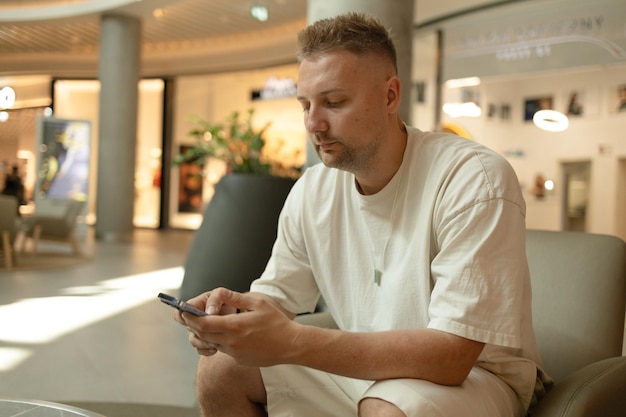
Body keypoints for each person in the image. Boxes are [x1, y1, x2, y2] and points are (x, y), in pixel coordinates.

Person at [174, 13, 552, 417]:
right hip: (366, 368)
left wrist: (293, 342)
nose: (314, 124)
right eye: (306, 105)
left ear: (390, 97)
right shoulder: (312, 190)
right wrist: (229, 317)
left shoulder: (472, 178)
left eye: (334, 102)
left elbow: (453, 355)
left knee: (386, 408)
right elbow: (277, 298)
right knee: (220, 370)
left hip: (478, 378)